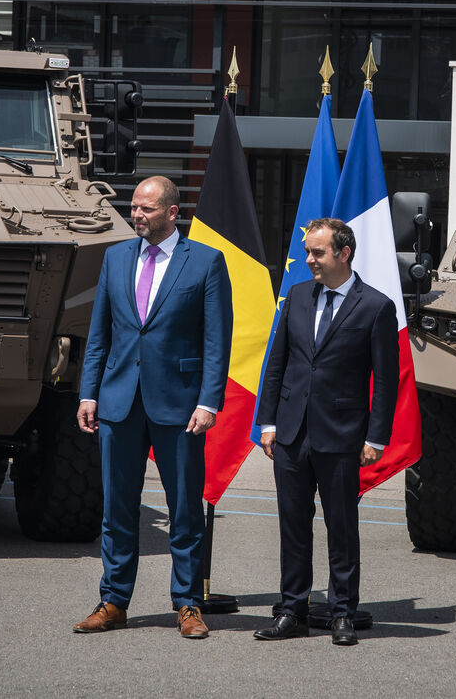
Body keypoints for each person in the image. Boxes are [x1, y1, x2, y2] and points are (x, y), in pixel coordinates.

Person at [73, 175, 232, 639]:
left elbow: (216, 340)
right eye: (135, 207)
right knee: (117, 509)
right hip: (119, 402)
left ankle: (188, 604)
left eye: (146, 208)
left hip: (179, 406)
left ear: (172, 212)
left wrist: (209, 401)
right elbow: (100, 333)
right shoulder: (116, 257)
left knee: (184, 510)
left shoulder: (206, 261)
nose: (136, 214)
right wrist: (89, 393)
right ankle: (113, 601)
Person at [253, 217, 399, 646]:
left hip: (342, 436)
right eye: (308, 252)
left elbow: (385, 381)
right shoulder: (297, 297)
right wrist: (267, 423)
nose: (309, 260)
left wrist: (375, 438)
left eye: (317, 252)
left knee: (342, 528)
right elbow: (277, 363)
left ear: (343, 253)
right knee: (293, 527)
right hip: (291, 434)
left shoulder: (375, 307)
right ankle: (292, 611)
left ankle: (342, 614)